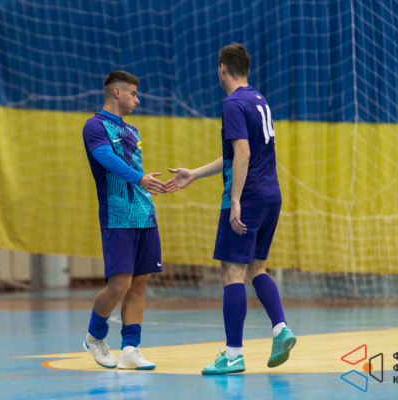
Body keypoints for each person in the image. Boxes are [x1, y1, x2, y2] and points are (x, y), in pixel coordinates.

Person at [166, 43, 296, 374]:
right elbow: (236, 154)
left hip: (247, 196)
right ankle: (281, 329)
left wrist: (236, 200)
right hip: (271, 195)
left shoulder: (232, 103)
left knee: (231, 272)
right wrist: (194, 174)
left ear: (222, 68)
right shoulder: (259, 100)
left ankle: (234, 354)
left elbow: (243, 154)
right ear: (247, 69)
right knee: (256, 268)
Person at [81, 71, 166, 370]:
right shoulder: (95, 126)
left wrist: (146, 184)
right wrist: (140, 178)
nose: (137, 100)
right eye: (133, 93)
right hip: (118, 215)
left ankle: (130, 349)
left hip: (145, 214)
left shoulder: (132, 130)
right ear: (117, 92)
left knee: (139, 286)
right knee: (119, 285)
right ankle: (94, 336)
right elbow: (107, 158)